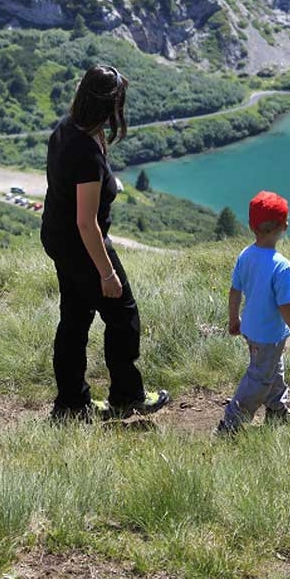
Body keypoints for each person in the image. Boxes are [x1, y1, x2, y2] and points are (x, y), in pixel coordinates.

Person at [40, 64, 169, 421]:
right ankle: (128, 396)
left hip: (58, 237)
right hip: (80, 243)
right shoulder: (86, 151)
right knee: (123, 316)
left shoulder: (67, 129)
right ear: (110, 105)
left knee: (75, 319)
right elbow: (86, 223)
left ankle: (71, 404)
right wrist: (107, 273)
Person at [218, 190, 290, 434]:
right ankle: (232, 421)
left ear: (252, 226)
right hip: (269, 334)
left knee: (272, 367)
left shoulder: (245, 255)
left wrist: (233, 319)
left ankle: (278, 409)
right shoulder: (281, 266)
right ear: (284, 225)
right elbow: (285, 306)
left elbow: (234, 291)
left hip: (251, 329)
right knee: (259, 377)